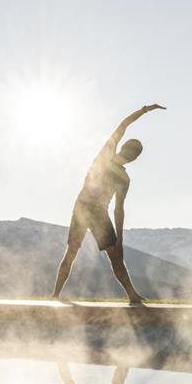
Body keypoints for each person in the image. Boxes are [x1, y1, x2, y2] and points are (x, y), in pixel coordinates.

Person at [53, 103, 165, 302]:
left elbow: (119, 209)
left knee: (108, 255)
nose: (133, 156)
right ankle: (56, 294)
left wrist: (120, 240)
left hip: (95, 212)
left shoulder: (122, 176)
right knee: (74, 251)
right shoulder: (108, 158)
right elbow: (123, 126)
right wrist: (144, 110)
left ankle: (132, 294)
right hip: (85, 208)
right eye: (134, 152)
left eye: (135, 154)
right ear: (131, 153)